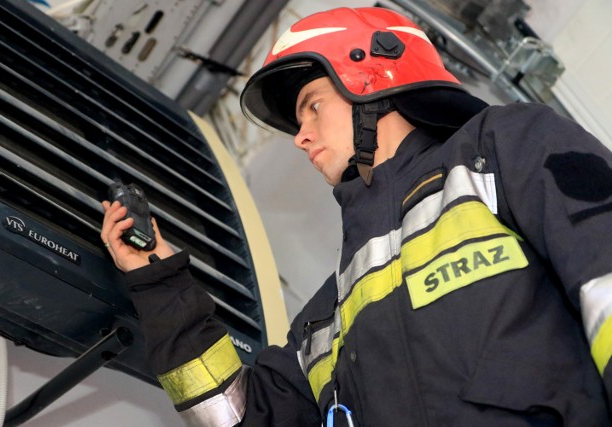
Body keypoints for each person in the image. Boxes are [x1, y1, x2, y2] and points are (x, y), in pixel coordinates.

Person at [101, 6, 612, 426]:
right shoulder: (327, 316)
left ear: (371, 78)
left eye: (312, 106)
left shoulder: (502, 150)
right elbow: (234, 418)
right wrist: (160, 284)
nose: (300, 136)